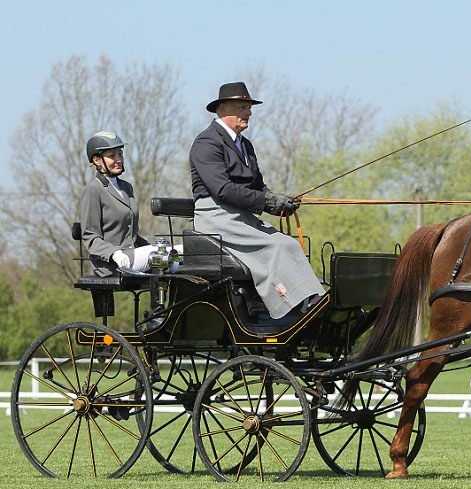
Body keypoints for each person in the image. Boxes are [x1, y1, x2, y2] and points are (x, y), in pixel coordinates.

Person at [189, 82, 325, 320]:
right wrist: (265, 202)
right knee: (277, 246)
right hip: (216, 217)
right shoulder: (207, 143)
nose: (249, 112)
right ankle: (293, 305)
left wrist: (278, 202)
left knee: (289, 244)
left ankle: (314, 298)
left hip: (242, 215)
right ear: (223, 108)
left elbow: (258, 187)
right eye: (243, 107)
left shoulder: (245, 145)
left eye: (249, 107)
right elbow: (222, 190)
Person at [80, 131, 178, 276]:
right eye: (112, 156)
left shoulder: (127, 187)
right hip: (111, 264)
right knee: (169, 254)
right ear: (97, 160)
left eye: (120, 154)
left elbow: (131, 234)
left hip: (132, 256)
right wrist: (114, 254)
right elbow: (90, 236)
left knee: (180, 253)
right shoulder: (93, 190)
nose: (119, 159)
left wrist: (150, 246)